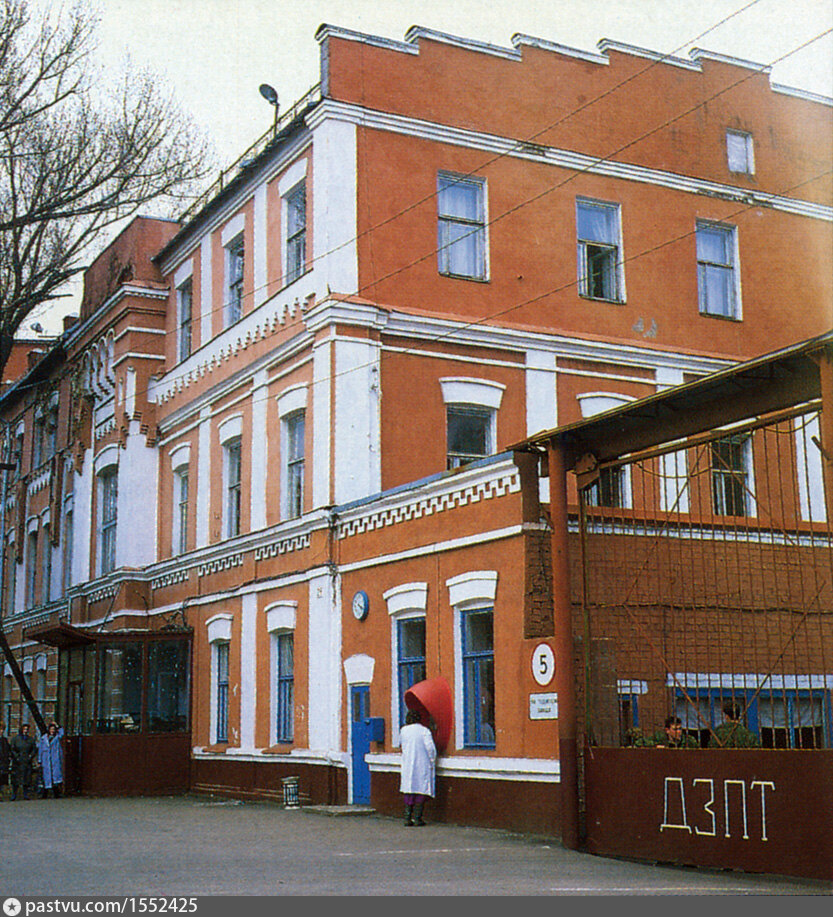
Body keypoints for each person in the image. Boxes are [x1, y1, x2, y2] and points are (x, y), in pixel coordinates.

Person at [399, 708, 436, 827]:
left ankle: (407, 818)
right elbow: (430, 748)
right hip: (422, 763)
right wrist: (432, 760)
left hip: (407, 764)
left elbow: (402, 746)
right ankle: (417, 818)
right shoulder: (424, 731)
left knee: (409, 789)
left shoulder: (404, 730)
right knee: (421, 789)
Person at [10, 723, 37, 800]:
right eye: (24, 729)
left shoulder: (30, 739)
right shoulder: (15, 739)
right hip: (17, 762)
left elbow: (34, 749)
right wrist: (16, 757)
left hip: (27, 761)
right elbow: (12, 749)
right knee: (16, 779)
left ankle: (25, 794)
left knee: (26, 778)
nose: (25, 731)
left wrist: (30, 756)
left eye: (27, 729)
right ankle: (14, 794)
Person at [39, 721, 65, 798]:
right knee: (46, 777)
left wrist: (57, 725)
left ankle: (56, 793)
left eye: (54, 729)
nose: (52, 731)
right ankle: (45, 794)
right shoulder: (43, 738)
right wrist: (39, 760)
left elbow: (62, 732)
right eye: (51, 729)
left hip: (55, 759)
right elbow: (40, 749)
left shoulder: (57, 737)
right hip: (46, 760)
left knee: (55, 778)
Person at [0, 724, 10, 799]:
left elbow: (7, 750)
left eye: (2, 730)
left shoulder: (4, 740)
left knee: (2, 779)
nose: (1, 731)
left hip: (3, 762)